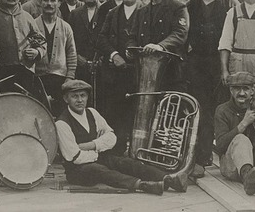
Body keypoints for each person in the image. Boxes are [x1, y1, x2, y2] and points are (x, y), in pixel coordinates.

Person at [56, 80, 186, 195]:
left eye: (83, 95)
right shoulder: (62, 123)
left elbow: (112, 137)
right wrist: (99, 149)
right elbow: (74, 157)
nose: (79, 100)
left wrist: (91, 145)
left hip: (95, 157)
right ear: (66, 99)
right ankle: (142, 185)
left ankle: (168, 179)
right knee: (100, 170)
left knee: (124, 162)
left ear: (87, 97)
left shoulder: (92, 112)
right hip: (77, 171)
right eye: (74, 96)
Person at [185, 0, 240, 177]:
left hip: (221, 64)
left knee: (224, 110)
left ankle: (228, 158)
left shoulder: (230, 3)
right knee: (203, 110)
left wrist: (228, 67)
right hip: (198, 64)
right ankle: (203, 156)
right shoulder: (191, 5)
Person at [96, 0, 143, 155]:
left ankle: (136, 151)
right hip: (115, 73)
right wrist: (114, 55)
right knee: (114, 111)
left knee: (136, 112)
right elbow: (101, 38)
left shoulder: (146, 11)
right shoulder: (113, 13)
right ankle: (115, 151)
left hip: (138, 72)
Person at [34, 0, 77, 115]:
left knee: (60, 115)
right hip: (38, 79)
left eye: (53, 0)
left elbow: (71, 54)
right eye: (46, 0)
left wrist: (69, 77)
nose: (49, 4)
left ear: (59, 3)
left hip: (60, 80)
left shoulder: (65, 27)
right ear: (40, 3)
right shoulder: (32, 24)